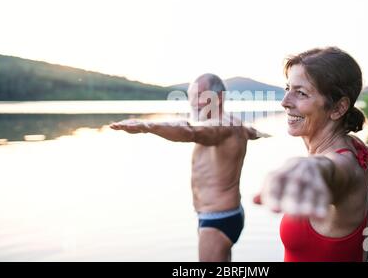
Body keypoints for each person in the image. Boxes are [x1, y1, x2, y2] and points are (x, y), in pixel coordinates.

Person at [253, 47, 368, 262]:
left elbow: (331, 170)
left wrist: (307, 168)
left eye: (301, 93)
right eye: (287, 88)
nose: (284, 101)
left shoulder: (342, 165)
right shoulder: (356, 148)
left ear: (339, 108)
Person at [110, 73, 268, 262]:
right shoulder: (235, 124)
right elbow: (249, 132)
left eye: (199, 96)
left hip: (217, 220)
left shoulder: (221, 127)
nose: (193, 102)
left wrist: (147, 126)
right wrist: (262, 133)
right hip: (223, 215)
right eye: (191, 96)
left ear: (218, 99)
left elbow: (188, 131)